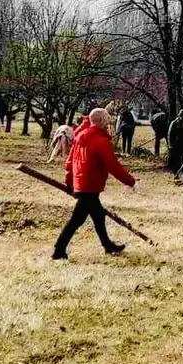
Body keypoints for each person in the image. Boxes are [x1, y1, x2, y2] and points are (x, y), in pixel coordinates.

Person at [52, 108, 136, 260]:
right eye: (107, 120)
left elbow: (70, 161)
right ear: (102, 121)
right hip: (90, 185)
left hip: (82, 183)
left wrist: (70, 181)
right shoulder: (101, 141)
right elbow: (113, 166)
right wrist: (130, 181)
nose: (109, 123)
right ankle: (58, 250)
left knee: (98, 216)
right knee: (77, 219)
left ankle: (108, 245)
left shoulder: (80, 136)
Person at [167, 111, 183, 182]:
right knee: (176, 161)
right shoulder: (174, 123)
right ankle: (176, 174)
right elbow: (170, 134)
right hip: (176, 145)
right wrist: (171, 145)